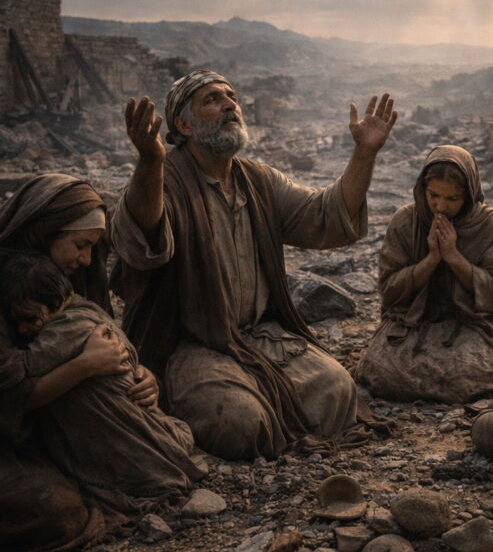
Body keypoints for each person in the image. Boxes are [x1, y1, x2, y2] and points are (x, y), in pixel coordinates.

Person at [111, 69, 397, 460]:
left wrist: (364, 152)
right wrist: (149, 162)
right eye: (212, 99)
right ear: (183, 125)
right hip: (194, 345)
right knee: (240, 423)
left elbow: (326, 217)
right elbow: (142, 237)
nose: (230, 104)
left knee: (337, 391)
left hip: (260, 336)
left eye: (232, 97)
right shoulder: (166, 181)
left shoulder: (258, 181)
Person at [0, 173, 160, 552]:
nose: (85, 260)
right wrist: (87, 365)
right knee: (60, 513)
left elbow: (97, 339)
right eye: (80, 245)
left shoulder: (46, 281)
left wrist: (135, 372)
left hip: (34, 434)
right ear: (44, 230)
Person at [0, 252, 206, 514]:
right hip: (159, 428)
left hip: (138, 441)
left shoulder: (69, 327)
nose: (23, 330)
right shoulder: (92, 311)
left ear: (57, 301)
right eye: (16, 322)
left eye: (30, 318)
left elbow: (25, 367)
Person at [356, 145, 493, 402]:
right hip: (413, 324)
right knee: (379, 368)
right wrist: (431, 260)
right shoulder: (406, 221)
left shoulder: (488, 225)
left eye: (452, 199)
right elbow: (389, 290)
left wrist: (453, 257)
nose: (440, 207)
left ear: (469, 194)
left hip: (473, 325)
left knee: (476, 369)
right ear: (422, 189)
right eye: (434, 195)